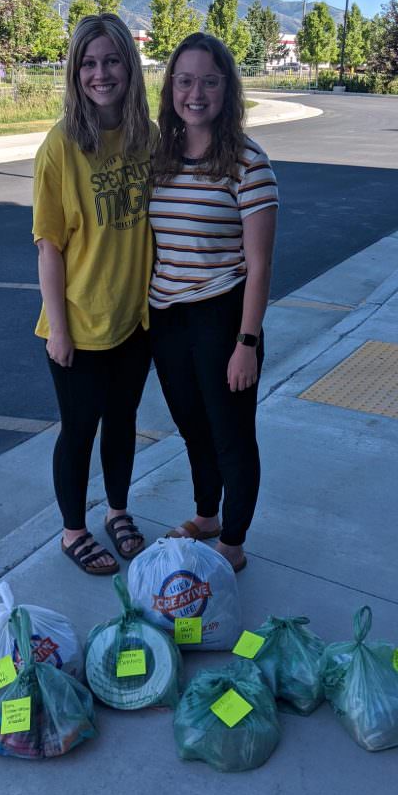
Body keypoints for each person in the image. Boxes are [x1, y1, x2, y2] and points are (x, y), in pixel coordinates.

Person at [149, 32, 279, 573]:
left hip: (222, 316)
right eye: (184, 81)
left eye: (208, 81)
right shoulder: (161, 156)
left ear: (227, 88)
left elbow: (260, 266)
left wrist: (246, 342)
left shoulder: (249, 163)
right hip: (166, 317)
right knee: (192, 427)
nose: (195, 93)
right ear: (171, 88)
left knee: (231, 435)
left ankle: (234, 542)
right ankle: (206, 516)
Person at [33, 14, 154, 575]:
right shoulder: (60, 146)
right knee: (79, 431)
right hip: (79, 324)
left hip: (135, 321)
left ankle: (118, 511)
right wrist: (59, 329)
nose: (100, 74)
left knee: (123, 422)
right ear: (74, 72)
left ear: (129, 66)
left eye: (111, 61)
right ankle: (73, 531)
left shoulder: (147, 138)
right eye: (88, 63)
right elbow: (49, 247)